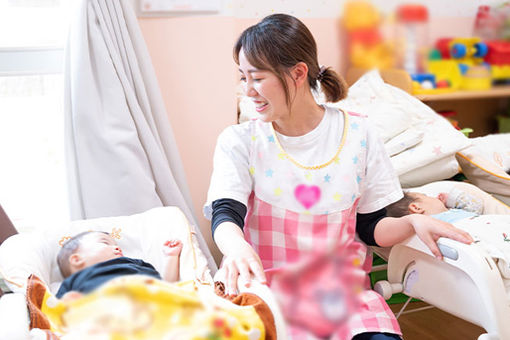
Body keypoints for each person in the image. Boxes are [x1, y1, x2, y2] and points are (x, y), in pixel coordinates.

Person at [204, 13, 473, 340]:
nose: (247, 90)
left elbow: (371, 227)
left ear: (298, 73)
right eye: (242, 77)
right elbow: (226, 213)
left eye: (256, 78)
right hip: (264, 295)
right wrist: (236, 248)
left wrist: (411, 223)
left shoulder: (359, 134)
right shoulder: (239, 141)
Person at [56, 231, 182, 299]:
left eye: (115, 244)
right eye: (105, 243)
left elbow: (168, 286)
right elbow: (55, 313)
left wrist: (171, 256)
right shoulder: (75, 281)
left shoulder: (135, 264)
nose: (116, 247)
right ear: (77, 260)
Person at [386, 191, 481, 223]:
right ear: (417, 208)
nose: (434, 197)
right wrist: (450, 199)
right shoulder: (433, 223)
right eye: (425, 195)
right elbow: (476, 205)